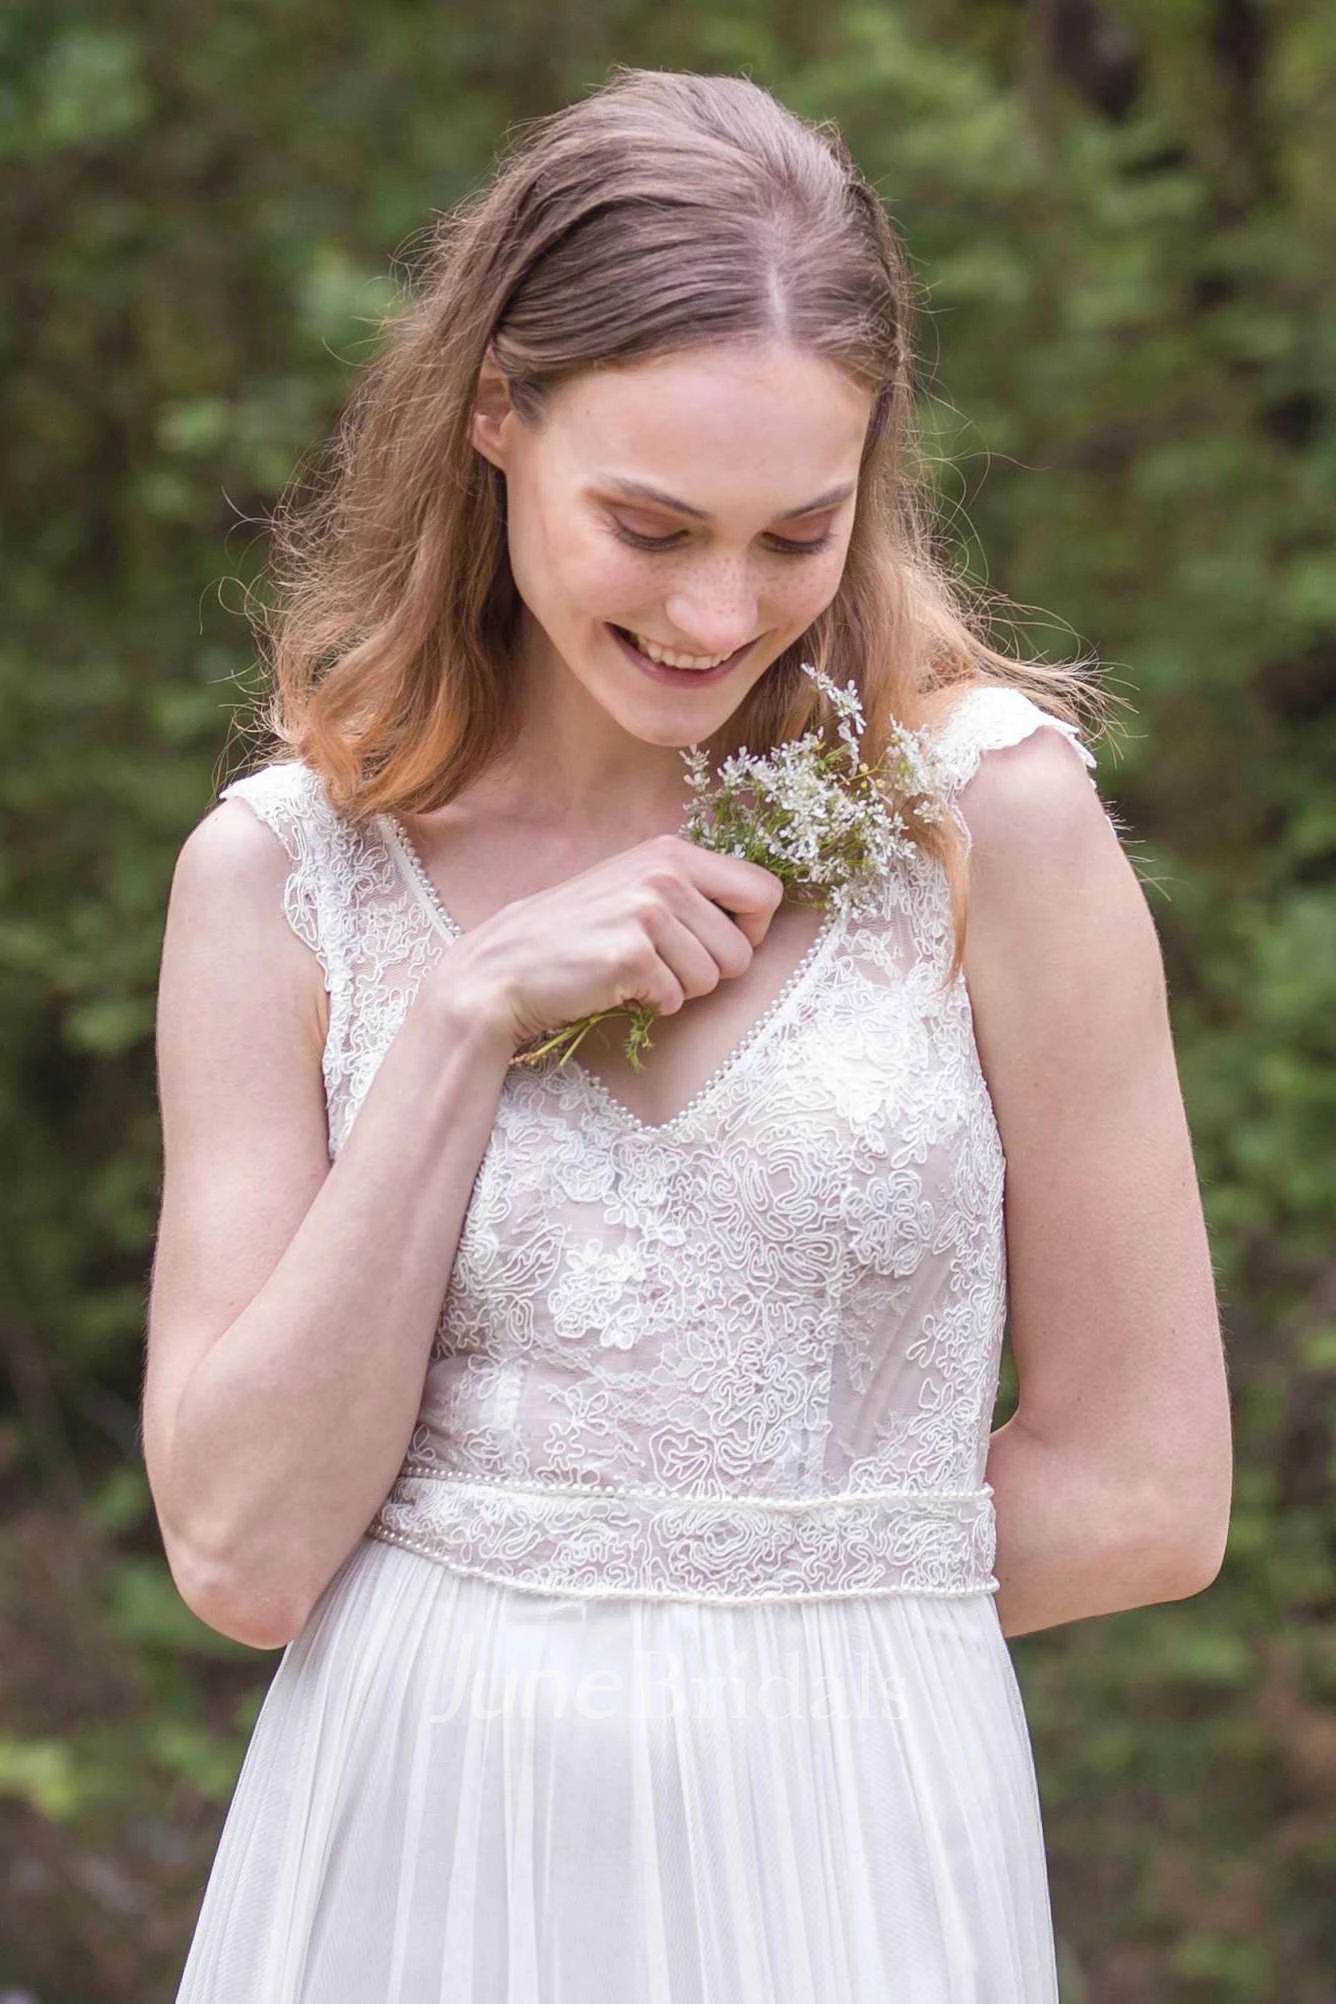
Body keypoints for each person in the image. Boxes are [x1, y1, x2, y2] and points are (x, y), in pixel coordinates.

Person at [144, 64, 1233, 2004]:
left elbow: (1147, 1493)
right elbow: (240, 1553)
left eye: (795, 534)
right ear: (495, 414)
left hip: (850, 1836)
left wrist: (744, 1644)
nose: (717, 610)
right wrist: (463, 1021)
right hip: (418, 1833)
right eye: (646, 526)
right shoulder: (281, 882)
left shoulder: (991, 825)